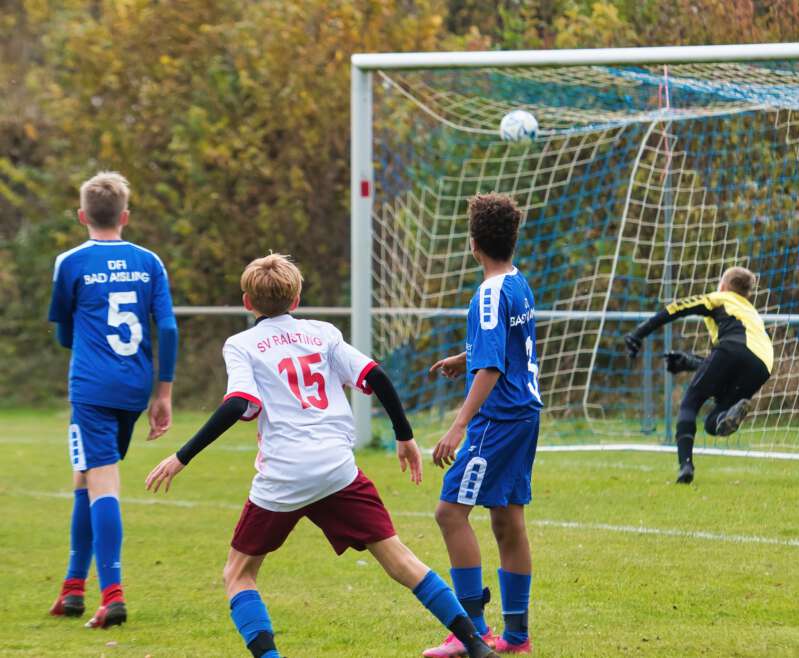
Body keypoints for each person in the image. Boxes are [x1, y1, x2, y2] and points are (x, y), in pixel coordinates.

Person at [143, 254, 497, 658]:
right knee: (398, 558)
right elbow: (376, 375)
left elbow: (237, 403)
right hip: (337, 469)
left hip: (285, 475)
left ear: (247, 302)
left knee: (239, 573)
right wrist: (405, 437)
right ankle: (475, 645)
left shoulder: (241, 344)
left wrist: (181, 457)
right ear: (296, 299)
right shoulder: (323, 333)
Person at [47, 171, 178, 628]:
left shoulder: (70, 261)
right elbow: (168, 328)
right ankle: (72, 588)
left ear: (83, 215)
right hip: (135, 387)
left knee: (100, 479)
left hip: (91, 387)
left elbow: (63, 330)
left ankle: (113, 594)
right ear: (125, 215)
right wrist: (163, 391)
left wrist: (84, 338)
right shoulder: (150, 261)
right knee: (84, 475)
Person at [425, 193, 541, 656]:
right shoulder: (517, 281)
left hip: (499, 418)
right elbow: (503, 348)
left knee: (449, 513)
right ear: (511, 240)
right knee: (507, 520)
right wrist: (464, 357)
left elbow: (492, 370)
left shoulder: (487, 293)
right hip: (525, 412)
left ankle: (470, 632)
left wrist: (457, 427)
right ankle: (517, 636)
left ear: (473, 245)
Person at [623, 266, 773, 484]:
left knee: (690, 403)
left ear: (723, 285)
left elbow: (677, 308)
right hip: (763, 365)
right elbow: (729, 360)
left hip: (731, 350)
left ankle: (686, 466)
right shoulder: (752, 314)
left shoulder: (719, 298)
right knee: (714, 421)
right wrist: (690, 362)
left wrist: (638, 333)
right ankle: (725, 417)